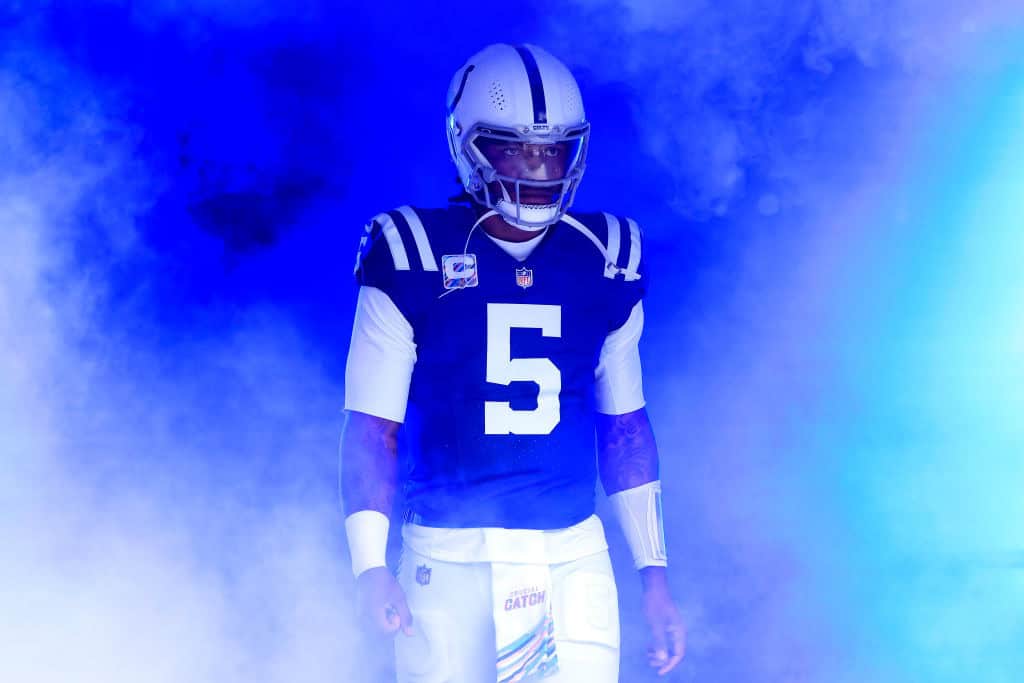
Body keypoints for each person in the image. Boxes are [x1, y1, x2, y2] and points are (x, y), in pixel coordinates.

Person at [341, 42, 685, 682]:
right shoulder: (411, 251)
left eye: (552, 148)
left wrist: (655, 577)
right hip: (449, 559)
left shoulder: (605, 256)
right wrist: (369, 566)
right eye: (514, 148)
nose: (537, 166)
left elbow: (626, 427)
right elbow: (372, 429)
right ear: (467, 146)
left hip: (571, 557)